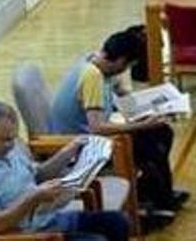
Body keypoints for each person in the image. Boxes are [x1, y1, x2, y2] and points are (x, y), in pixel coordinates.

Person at [49, 30, 185, 225]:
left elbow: (119, 97)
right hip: (82, 145)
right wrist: (140, 124)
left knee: (161, 132)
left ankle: (157, 192)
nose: (125, 71)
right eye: (127, 66)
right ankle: (158, 199)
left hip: (87, 135)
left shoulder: (96, 62)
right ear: (121, 61)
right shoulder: (92, 77)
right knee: (150, 144)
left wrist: (144, 110)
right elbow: (96, 127)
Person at [0, 102, 129, 240]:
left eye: (13, 138)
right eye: (5, 140)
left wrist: (68, 151)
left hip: (48, 220)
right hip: (26, 235)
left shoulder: (8, 148)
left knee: (117, 223)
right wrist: (34, 197)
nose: (11, 145)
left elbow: (37, 175)